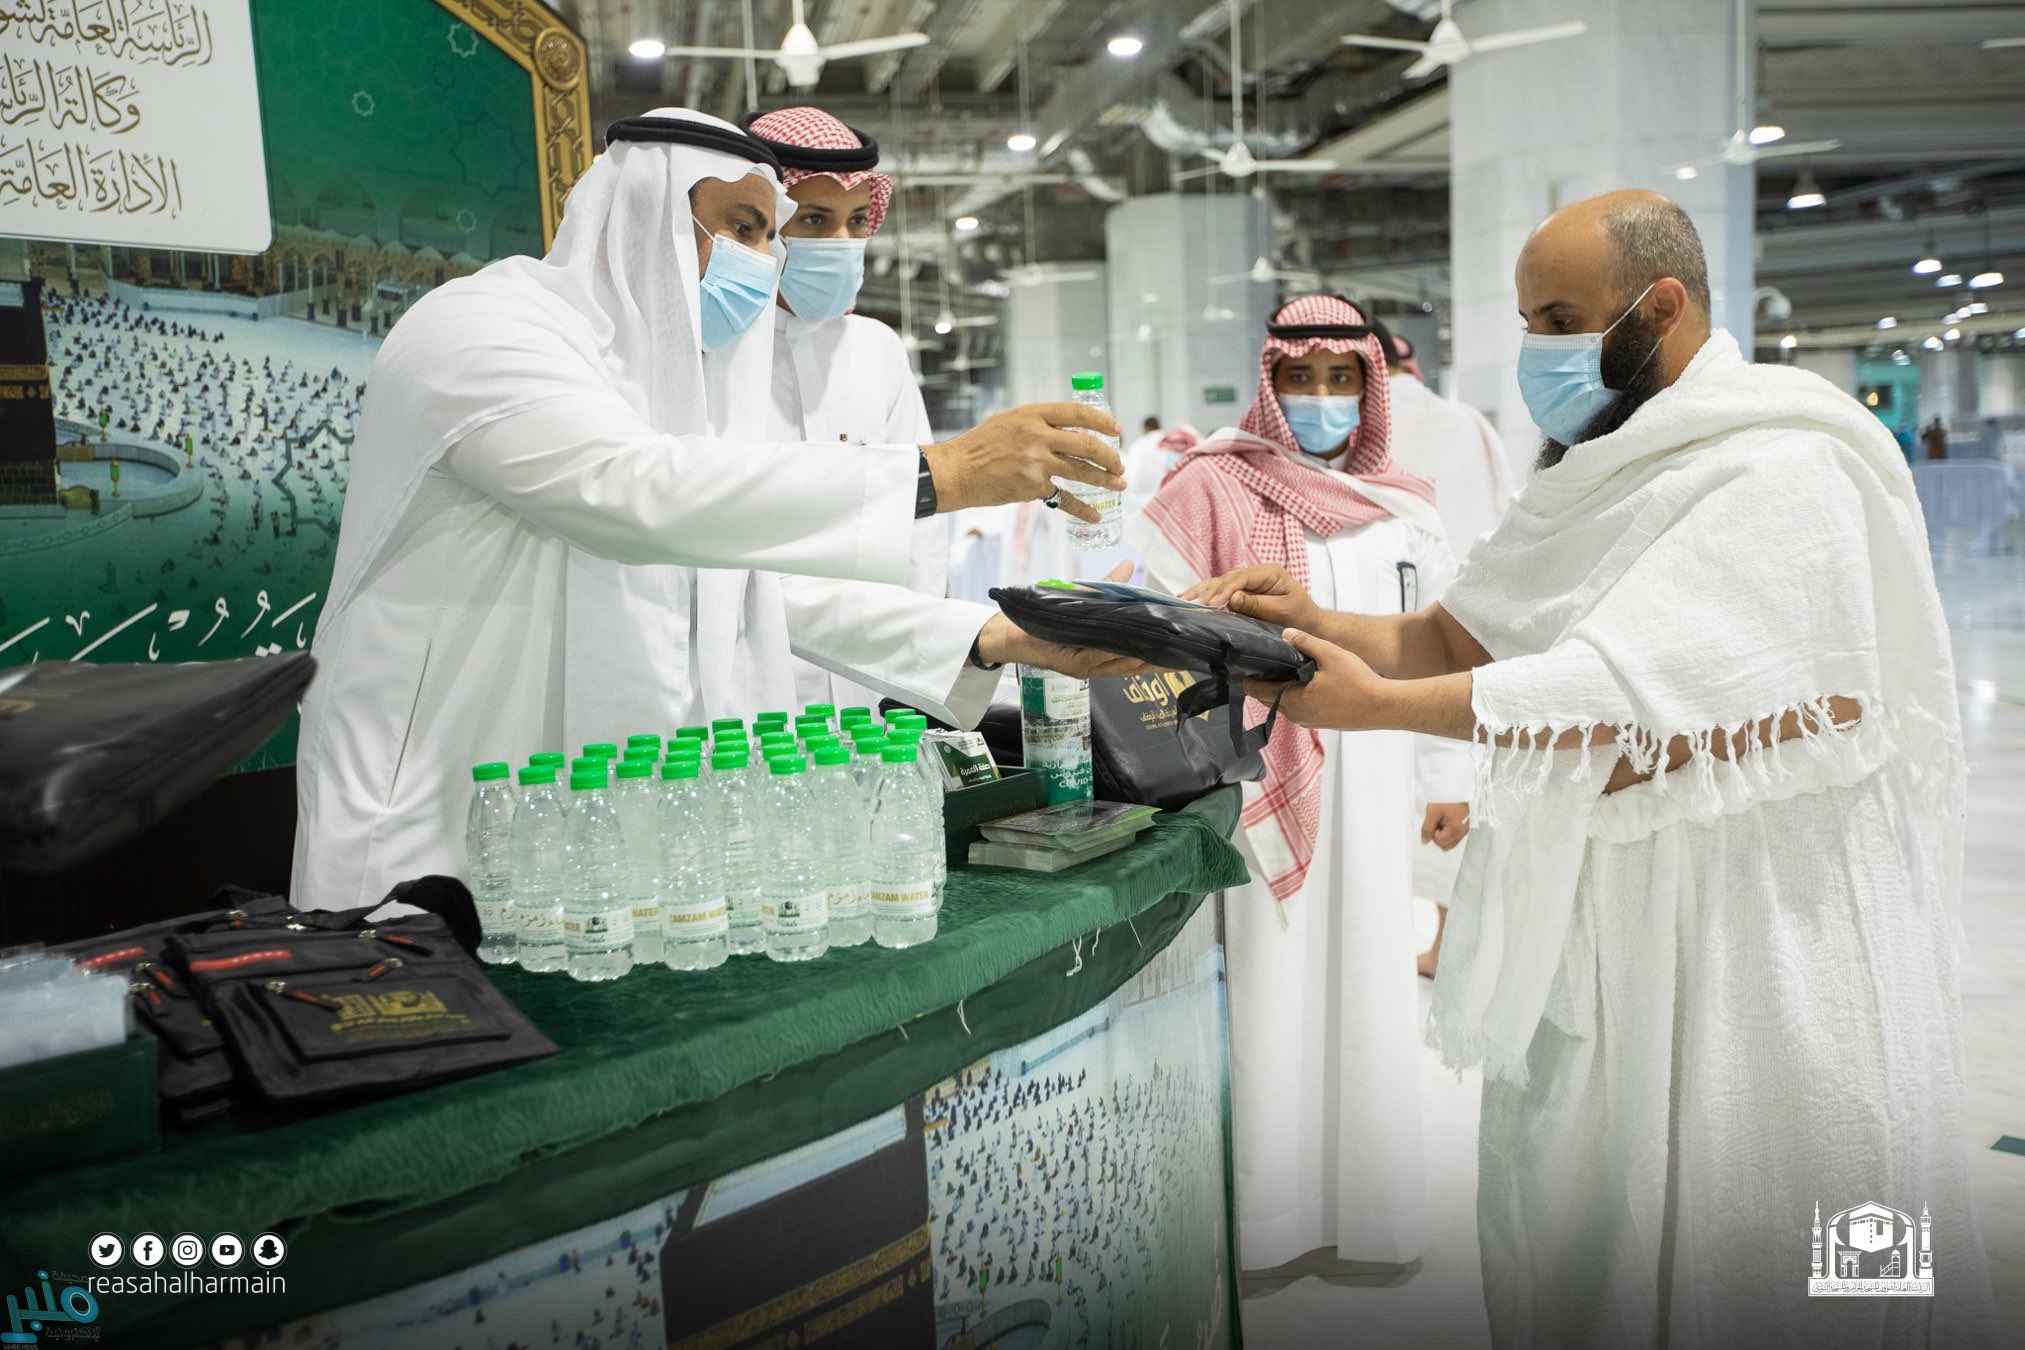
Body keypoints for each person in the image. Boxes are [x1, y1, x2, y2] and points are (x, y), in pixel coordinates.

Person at [1191, 191, 1997, 1346]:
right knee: (1601, 1231)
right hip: (1617, 915)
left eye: (1562, 319)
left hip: (1762, 927)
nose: (1540, 352)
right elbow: (1463, 634)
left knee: (1779, 1226)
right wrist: (1319, 618)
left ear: (1659, 307)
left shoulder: (1784, 463)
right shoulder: (1605, 467)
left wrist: (1380, 711)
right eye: (1530, 321)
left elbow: (1641, 685)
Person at [293, 109, 1136, 910]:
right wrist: (945, 472)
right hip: (432, 811)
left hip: (575, 835)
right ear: (644, 214)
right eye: (742, 227)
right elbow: (626, 493)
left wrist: (994, 637)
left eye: (769, 236)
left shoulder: (660, 381)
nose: (762, 261)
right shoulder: (484, 326)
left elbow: (740, 586)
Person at [1129, 294, 1473, 1271]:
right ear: (1270, 382)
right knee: (1270, 994)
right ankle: (1267, 1225)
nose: (1321, 396)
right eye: (1301, 377)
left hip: (1378, 774)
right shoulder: (1210, 488)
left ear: (1370, 387)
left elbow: (1439, 647)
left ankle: (1371, 1215)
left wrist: (1449, 775)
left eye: (1340, 379)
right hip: (1253, 781)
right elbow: (1146, 624)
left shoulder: (1405, 508)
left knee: (1370, 980)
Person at [742, 107, 945, 709]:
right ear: (764, 223)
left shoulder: (877, 350)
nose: (841, 243)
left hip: (873, 678)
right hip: (748, 682)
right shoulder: (717, 350)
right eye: (814, 219)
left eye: (857, 220)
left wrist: (921, 663)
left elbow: (921, 523)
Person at [1372, 321, 1516, 979]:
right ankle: (1451, 938)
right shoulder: (1466, 422)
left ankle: (1397, 942)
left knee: (1393, 794)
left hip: (1384, 628)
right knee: (1459, 780)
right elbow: (1505, 508)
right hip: (1472, 617)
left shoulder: (1365, 424)